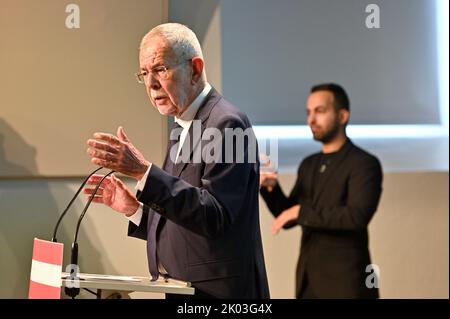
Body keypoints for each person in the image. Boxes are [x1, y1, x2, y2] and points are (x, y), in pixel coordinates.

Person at [83, 23, 269, 299]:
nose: (150, 84)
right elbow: (187, 224)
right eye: (144, 73)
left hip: (222, 294)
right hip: (188, 290)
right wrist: (134, 210)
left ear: (195, 69)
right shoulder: (182, 126)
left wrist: (143, 172)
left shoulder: (227, 124)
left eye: (160, 69)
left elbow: (214, 217)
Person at [260, 83, 382, 299]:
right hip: (309, 283)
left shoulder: (364, 163)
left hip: (347, 284)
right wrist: (271, 188)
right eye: (308, 113)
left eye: (320, 111)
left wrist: (301, 212)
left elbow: (356, 216)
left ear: (342, 116)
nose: (311, 120)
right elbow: (287, 215)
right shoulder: (309, 165)